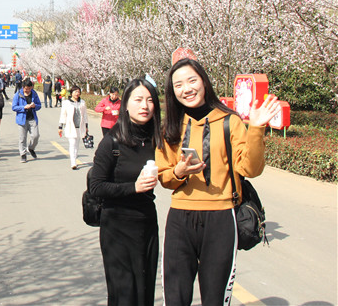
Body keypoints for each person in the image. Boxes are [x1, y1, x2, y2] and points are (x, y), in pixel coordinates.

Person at [156, 58, 281, 306]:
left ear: (204, 82)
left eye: (192, 80)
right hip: (180, 218)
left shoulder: (229, 121)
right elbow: (165, 178)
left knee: (215, 298)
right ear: (172, 91)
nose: (186, 89)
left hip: (221, 218)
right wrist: (179, 171)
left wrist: (256, 128)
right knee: (175, 297)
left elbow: (251, 169)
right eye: (178, 85)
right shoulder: (170, 126)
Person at [88, 78, 162, 306]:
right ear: (126, 104)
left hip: (147, 223)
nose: (144, 106)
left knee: (145, 290)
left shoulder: (157, 140)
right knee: (124, 294)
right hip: (117, 226)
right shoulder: (112, 142)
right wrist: (134, 187)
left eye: (150, 100)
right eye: (138, 100)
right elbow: (96, 186)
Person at [58, 85, 89, 170]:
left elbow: (85, 115)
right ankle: (73, 162)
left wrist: (86, 126)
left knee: (77, 144)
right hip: (70, 126)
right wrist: (60, 127)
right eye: (75, 92)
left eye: (78, 92)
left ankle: (74, 157)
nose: (77, 93)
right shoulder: (66, 103)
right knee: (72, 143)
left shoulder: (82, 102)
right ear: (71, 93)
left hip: (80, 126)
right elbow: (63, 115)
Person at [12, 78, 42, 163]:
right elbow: (14, 107)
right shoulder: (18, 94)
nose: (28, 90)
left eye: (29, 88)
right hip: (22, 119)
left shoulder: (34, 94)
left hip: (32, 118)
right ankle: (23, 154)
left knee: (36, 136)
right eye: (26, 89)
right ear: (23, 87)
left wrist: (34, 106)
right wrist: (23, 107)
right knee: (22, 138)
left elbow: (39, 105)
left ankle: (31, 148)